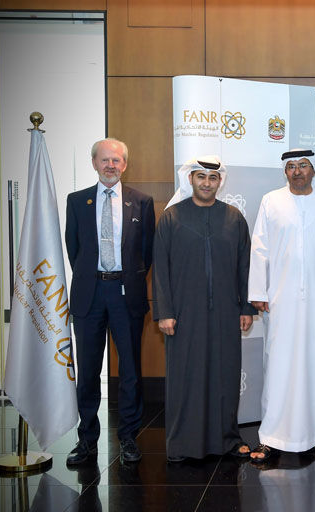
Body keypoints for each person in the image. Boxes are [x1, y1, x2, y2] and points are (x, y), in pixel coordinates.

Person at [248, 149, 315, 462]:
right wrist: (258, 290)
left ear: (313, 170)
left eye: (303, 166)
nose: (297, 171)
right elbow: (260, 249)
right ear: (285, 172)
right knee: (278, 366)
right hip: (280, 300)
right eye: (291, 166)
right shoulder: (271, 201)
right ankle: (271, 437)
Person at [152, 156, 255, 462]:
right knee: (186, 377)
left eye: (213, 178)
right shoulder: (171, 217)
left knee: (225, 375)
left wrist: (246, 307)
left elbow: (245, 267)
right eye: (201, 177)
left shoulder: (234, 218)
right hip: (184, 313)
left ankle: (227, 440)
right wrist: (165, 312)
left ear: (219, 182)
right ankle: (182, 444)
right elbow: (160, 269)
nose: (207, 183)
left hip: (226, 310)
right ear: (191, 179)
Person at [65, 138, 155, 465]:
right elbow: (74, 248)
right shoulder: (77, 201)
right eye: (105, 160)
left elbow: (146, 252)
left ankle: (128, 438)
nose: (111, 165)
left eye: (116, 160)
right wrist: (94, 277)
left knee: (130, 371)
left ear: (125, 165)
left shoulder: (141, 202)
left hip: (125, 295)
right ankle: (87, 440)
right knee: (88, 371)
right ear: (94, 163)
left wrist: (124, 277)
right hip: (89, 296)